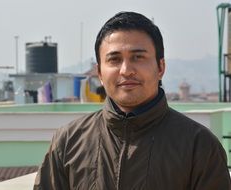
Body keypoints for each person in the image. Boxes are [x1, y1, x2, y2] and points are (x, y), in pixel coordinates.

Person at [34, 11, 231, 190]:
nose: (126, 70)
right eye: (114, 59)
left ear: (161, 67)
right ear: (100, 73)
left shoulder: (199, 146)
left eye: (138, 57)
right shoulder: (68, 141)